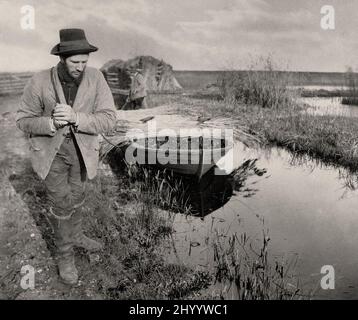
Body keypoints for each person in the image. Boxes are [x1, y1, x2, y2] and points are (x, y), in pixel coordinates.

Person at [16, 28, 117, 285]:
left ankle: (78, 235)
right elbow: (23, 120)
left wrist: (77, 118)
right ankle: (65, 256)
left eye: (85, 61)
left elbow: (109, 119)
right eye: (75, 62)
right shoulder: (40, 81)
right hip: (52, 153)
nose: (81, 67)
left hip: (83, 152)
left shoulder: (96, 78)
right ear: (62, 58)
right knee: (61, 204)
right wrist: (50, 123)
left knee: (78, 195)